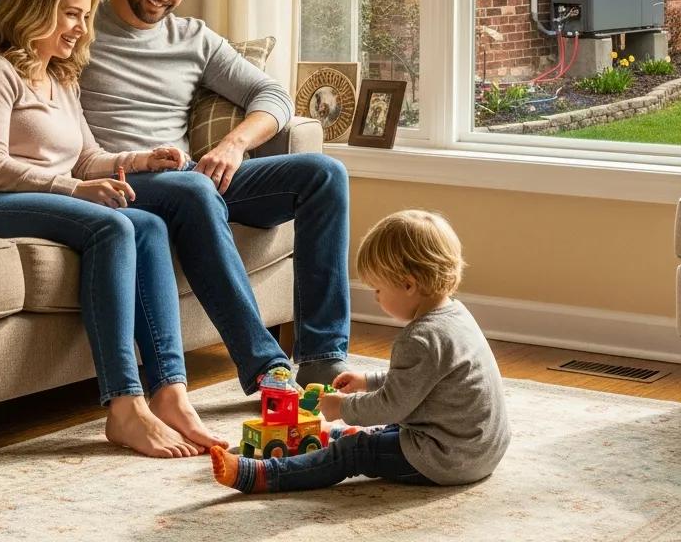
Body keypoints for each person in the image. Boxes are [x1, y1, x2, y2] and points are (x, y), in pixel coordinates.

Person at [0, 0, 350, 393]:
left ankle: (323, 356)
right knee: (191, 190)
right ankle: (264, 364)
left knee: (323, 174)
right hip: (126, 179)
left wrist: (232, 145)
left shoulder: (196, 40)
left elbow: (274, 96)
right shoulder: (72, 20)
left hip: (179, 170)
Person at [0, 0, 228, 458]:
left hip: (25, 194)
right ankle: (123, 405)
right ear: (35, 11)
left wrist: (141, 159)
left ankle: (170, 391)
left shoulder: (62, 79)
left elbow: (88, 157)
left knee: (149, 224)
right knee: (113, 228)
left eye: (86, 17)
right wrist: (72, 190)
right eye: (71, 15)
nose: (81, 29)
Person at [211, 210, 510, 494]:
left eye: (378, 290)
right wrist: (367, 381)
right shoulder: (456, 315)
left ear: (408, 285)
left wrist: (343, 408)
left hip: (448, 459)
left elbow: (392, 405)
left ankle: (266, 475)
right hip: (479, 448)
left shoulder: (420, 338)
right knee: (383, 432)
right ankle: (305, 445)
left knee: (354, 452)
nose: (377, 299)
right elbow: (418, 381)